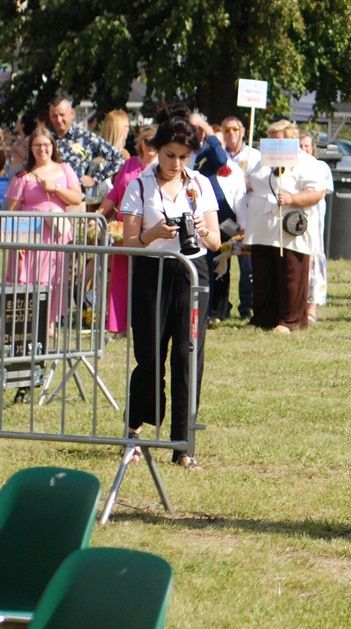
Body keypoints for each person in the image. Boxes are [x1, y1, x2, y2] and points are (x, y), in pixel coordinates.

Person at [119, 113, 220, 468]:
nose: (176, 164)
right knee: (149, 355)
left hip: (193, 272)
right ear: (157, 150)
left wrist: (200, 229)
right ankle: (133, 433)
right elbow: (129, 242)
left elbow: (216, 241)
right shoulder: (140, 185)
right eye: (170, 155)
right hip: (152, 273)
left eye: (183, 156)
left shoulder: (200, 184)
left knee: (188, 356)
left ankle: (183, 445)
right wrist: (154, 233)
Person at [244, 120, 328, 333]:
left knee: (290, 273)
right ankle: (263, 317)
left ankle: (290, 320)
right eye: (271, 139)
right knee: (263, 273)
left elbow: (317, 193)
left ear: (291, 140)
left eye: (278, 140)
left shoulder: (307, 163)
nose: (274, 144)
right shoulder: (261, 162)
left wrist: (292, 198)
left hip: (290, 226)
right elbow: (253, 183)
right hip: (262, 227)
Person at [4, 125, 85, 323]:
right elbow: (11, 212)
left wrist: (55, 188)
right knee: (29, 280)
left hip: (56, 235)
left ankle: (49, 324)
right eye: (37, 145)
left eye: (46, 144)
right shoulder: (22, 176)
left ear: (53, 146)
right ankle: (27, 325)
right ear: (31, 148)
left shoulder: (65, 169)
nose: (42, 149)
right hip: (28, 236)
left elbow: (77, 198)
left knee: (54, 279)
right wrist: (16, 242)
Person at [99, 125, 157, 334]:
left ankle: (143, 323)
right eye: (147, 141)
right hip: (123, 227)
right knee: (120, 277)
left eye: (155, 142)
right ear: (140, 142)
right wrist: (99, 214)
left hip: (149, 229)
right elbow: (115, 193)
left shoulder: (161, 167)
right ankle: (119, 324)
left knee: (145, 278)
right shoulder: (129, 163)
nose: (151, 145)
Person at [218, 117, 262, 319]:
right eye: (227, 130)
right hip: (225, 218)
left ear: (243, 131)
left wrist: (245, 182)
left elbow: (261, 182)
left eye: (235, 129)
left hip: (248, 216)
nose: (231, 133)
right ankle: (221, 306)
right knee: (221, 262)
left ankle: (246, 306)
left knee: (247, 264)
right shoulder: (218, 156)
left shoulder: (254, 156)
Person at [45, 95, 122, 191]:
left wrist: (95, 179)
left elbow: (118, 158)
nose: (58, 120)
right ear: (50, 116)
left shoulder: (86, 137)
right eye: (54, 116)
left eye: (62, 115)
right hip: (48, 196)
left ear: (72, 113)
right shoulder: (43, 139)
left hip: (76, 197)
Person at [298, 133, 334, 326]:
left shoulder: (320, 167)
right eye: (300, 146)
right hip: (294, 221)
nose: (303, 149)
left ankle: (311, 308)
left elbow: (320, 192)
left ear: (312, 148)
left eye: (306, 146)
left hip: (313, 221)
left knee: (313, 262)